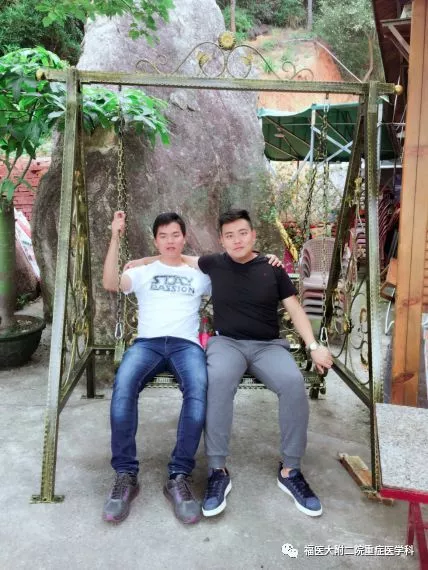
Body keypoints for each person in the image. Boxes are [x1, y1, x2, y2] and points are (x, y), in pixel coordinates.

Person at [128, 209, 332, 518]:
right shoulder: (214, 263)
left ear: (253, 235)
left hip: (268, 346)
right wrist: (141, 262)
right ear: (221, 240)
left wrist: (313, 346)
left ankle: (290, 471)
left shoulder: (272, 269)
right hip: (227, 344)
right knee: (218, 383)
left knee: (293, 384)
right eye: (229, 235)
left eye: (242, 233)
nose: (237, 240)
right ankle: (217, 470)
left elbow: (295, 309)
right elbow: (175, 257)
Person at [102, 210, 211, 525]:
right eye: (163, 236)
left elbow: (225, 268)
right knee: (123, 387)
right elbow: (110, 282)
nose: (170, 241)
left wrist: (166, 258)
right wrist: (115, 236)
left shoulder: (199, 274)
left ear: (184, 238)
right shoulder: (142, 272)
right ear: (155, 240)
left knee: (198, 391)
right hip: (147, 344)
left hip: (186, 345)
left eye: (175, 235)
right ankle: (126, 475)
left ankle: (179, 476)